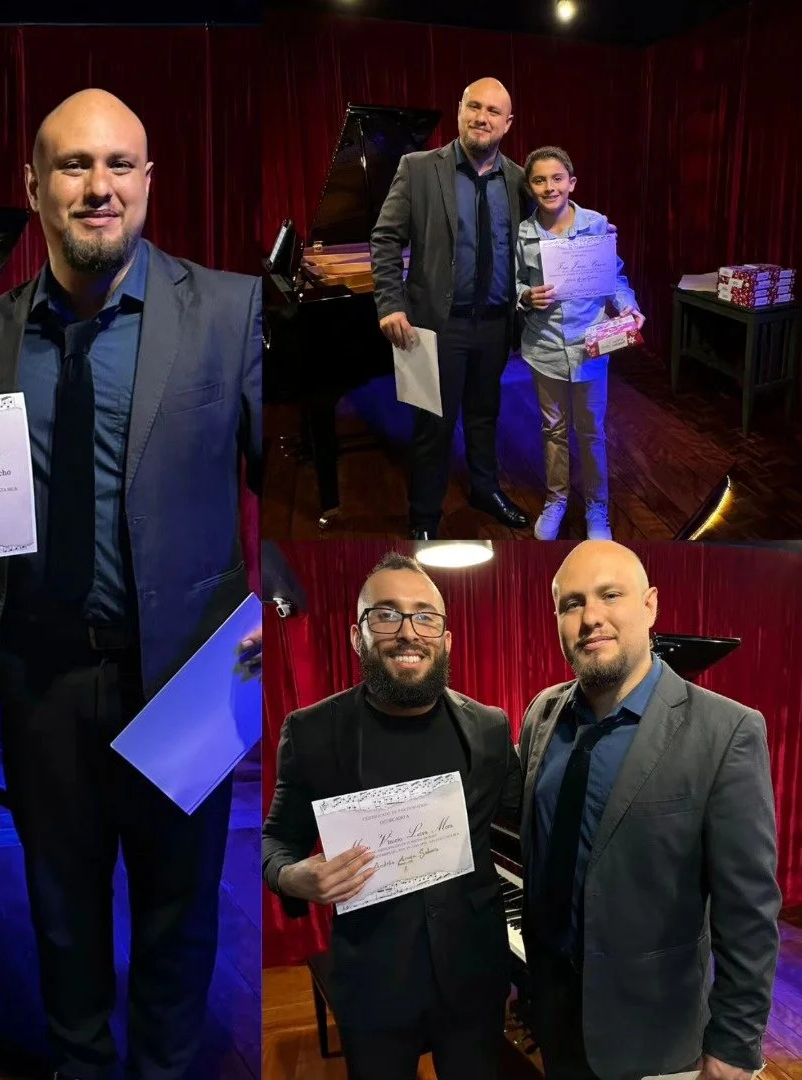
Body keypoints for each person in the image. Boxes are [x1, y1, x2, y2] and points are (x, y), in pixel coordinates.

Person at [0, 89, 262, 1080]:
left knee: (179, 922)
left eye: (120, 165)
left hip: (191, 682)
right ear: (33, 187)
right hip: (41, 688)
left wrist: (279, 612)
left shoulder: (236, 311)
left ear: (150, 181)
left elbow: (287, 485)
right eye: (75, 166)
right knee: (63, 920)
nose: (99, 187)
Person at [518, 541, 780, 1080]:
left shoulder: (727, 730)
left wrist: (734, 1045)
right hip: (556, 1016)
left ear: (650, 605)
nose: (591, 617)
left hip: (654, 1037)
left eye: (610, 595)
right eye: (572, 604)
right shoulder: (542, 713)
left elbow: (748, 910)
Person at [262, 553, 522, 1080]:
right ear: (357, 635)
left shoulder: (490, 728)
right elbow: (275, 842)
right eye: (386, 615)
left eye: (426, 616)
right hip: (373, 987)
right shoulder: (311, 732)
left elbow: (529, 829)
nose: (409, 632)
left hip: (474, 976)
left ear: (446, 639)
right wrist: (293, 876)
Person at [371, 76, 533, 539]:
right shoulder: (419, 168)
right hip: (434, 327)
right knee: (432, 428)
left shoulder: (520, 179)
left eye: (493, 112)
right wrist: (390, 302)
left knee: (485, 415)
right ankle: (424, 518)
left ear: (507, 124)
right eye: (474, 107)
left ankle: (484, 489)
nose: (482, 118)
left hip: (496, 326)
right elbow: (385, 238)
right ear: (460, 109)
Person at [515, 147, 645, 542]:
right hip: (544, 347)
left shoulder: (597, 225)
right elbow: (512, 283)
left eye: (557, 179)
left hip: (590, 347)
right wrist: (524, 296)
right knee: (553, 429)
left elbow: (615, 279)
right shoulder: (523, 233)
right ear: (530, 187)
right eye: (539, 180)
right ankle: (556, 501)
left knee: (591, 431)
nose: (549, 187)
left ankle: (597, 508)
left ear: (571, 182)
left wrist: (629, 308)